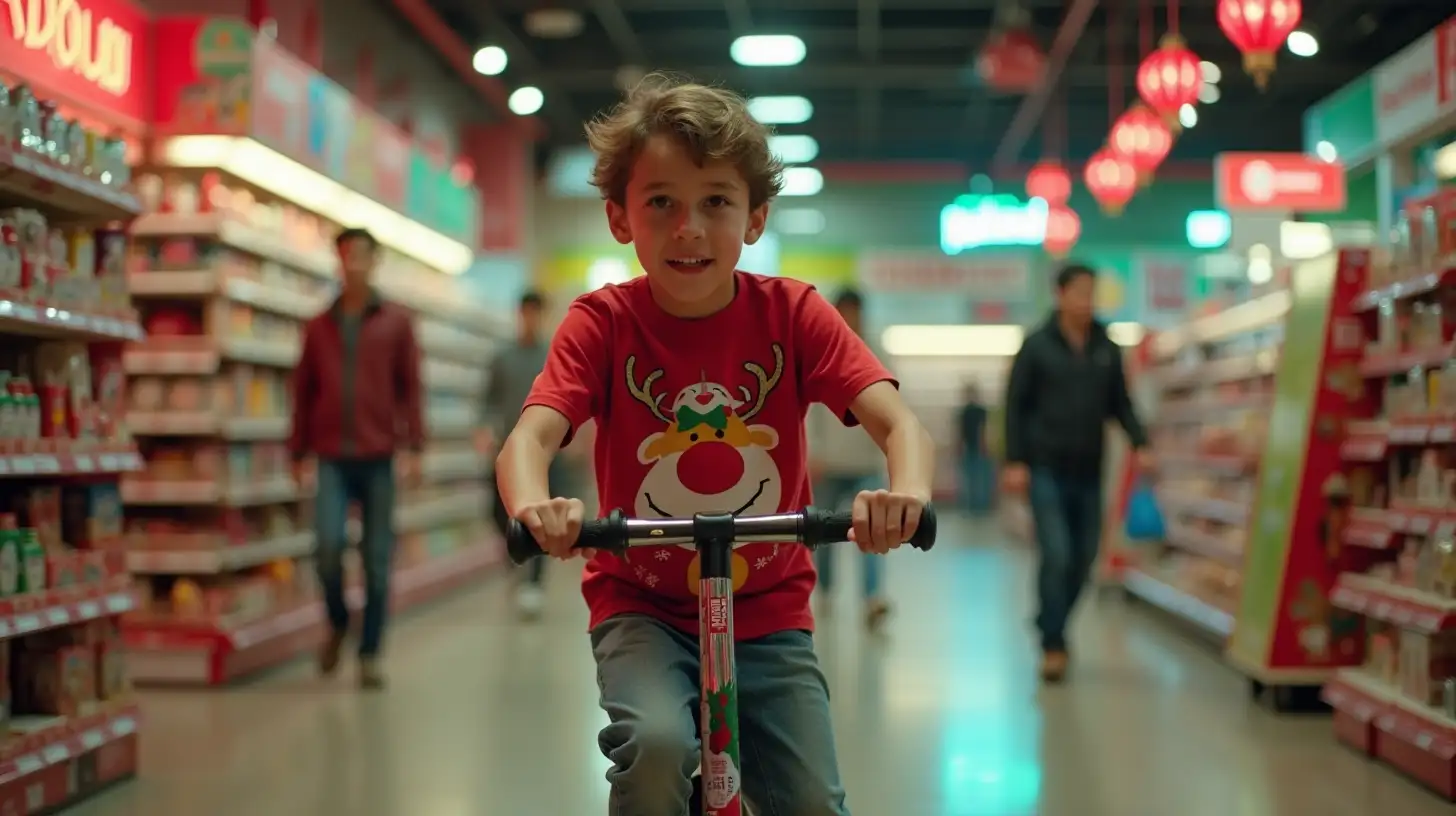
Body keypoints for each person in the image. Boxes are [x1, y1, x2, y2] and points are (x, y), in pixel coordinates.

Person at [495, 75, 935, 815]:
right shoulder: (602, 323)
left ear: (756, 218)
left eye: (717, 203)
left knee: (813, 803)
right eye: (660, 202)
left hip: (769, 610)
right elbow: (529, 438)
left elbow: (900, 425)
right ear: (619, 217)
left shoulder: (793, 314)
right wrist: (536, 509)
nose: (688, 228)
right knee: (659, 748)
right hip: (641, 605)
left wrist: (908, 497)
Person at [1002, 262, 1151, 684]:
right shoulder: (1036, 346)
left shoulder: (1106, 346)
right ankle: (1053, 643)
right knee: (1057, 553)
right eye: (1080, 292)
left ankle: (1051, 621)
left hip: (1089, 470)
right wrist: (1014, 461)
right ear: (1061, 295)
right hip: (1045, 467)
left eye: (1092, 292)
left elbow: (1120, 404)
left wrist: (1140, 442)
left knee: (1085, 558)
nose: (1087, 301)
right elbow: (1015, 406)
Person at [289, 227, 423, 690]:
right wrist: (296, 450)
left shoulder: (396, 322)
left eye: (361, 256)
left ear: (374, 261)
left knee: (376, 560)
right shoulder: (317, 325)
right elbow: (302, 390)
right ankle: (338, 621)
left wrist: (416, 446)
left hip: (379, 453)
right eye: (345, 256)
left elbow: (411, 387)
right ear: (338, 262)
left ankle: (369, 653)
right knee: (326, 550)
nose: (353, 265)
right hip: (330, 455)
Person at [806, 288, 892, 629]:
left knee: (873, 533)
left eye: (854, 311)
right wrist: (814, 454)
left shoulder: (877, 353)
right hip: (830, 465)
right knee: (824, 535)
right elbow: (809, 410)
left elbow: (893, 406)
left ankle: (872, 598)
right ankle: (825, 590)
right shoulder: (820, 352)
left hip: (866, 465)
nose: (849, 317)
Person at [481, 290, 559, 620]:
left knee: (540, 515)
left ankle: (534, 583)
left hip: (545, 452)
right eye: (526, 312)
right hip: (506, 450)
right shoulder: (502, 358)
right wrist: (484, 428)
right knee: (497, 511)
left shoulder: (552, 357)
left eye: (535, 313)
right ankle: (516, 552)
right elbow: (488, 400)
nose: (530, 318)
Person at [957, 382, 992, 516]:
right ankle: (974, 505)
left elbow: (983, 429)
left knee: (976, 477)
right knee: (972, 477)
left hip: (977, 447)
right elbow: (960, 432)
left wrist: (984, 445)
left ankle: (977, 505)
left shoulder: (977, 411)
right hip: (971, 446)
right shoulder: (967, 411)